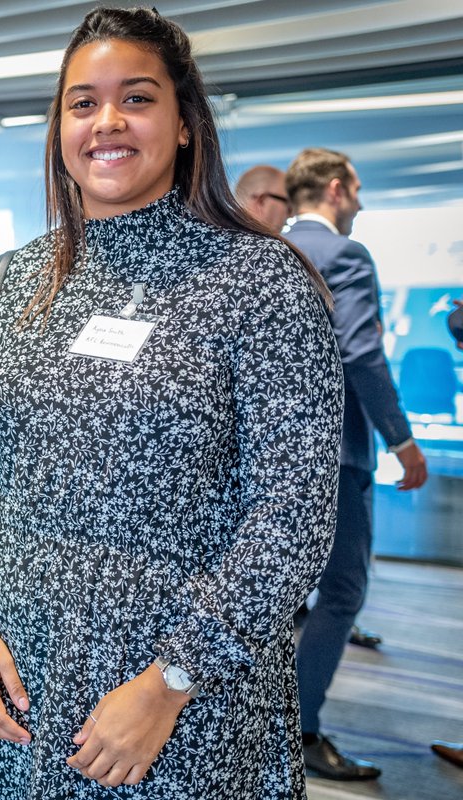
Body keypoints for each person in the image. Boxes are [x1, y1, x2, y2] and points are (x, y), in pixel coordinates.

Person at [0, 8, 343, 798]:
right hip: (20, 682)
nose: (107, 122)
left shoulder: (259, 283)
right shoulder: (10, 282)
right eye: (82, 103)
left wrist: (172, 678)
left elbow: (293, 512)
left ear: (187, 123)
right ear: (59, 126)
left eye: (137, 98)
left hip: (185, 700)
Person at [284, 146, 428, 781]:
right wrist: (402, 440)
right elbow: (363, 355)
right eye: (359, 190)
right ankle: (300, 728)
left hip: (267, 458)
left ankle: (263, 724)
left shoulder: (263, 247)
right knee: (342, 590)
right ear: (337, 189)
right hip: (334, 459)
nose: (363, 204)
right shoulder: (344, 254)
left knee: (275, 596)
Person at [233, 164, 289, 234]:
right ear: (262, 201)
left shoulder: (221, 239)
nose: (290, 215)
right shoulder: (265, 243)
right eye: (288, 206)